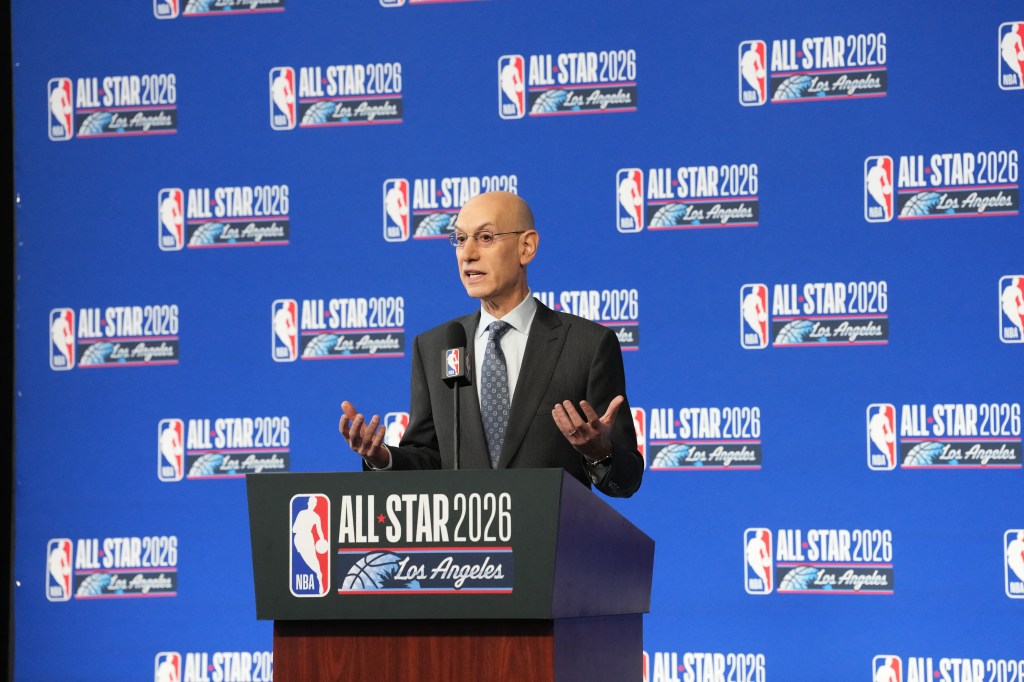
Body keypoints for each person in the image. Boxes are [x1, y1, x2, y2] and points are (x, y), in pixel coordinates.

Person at [340, 191, 643, 497]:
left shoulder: (586, 345)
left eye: (485, 237)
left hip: (548, 526)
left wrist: (600, 453)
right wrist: (383, 459)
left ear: (526, 247)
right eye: (460, 239)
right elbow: (428, 459)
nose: (468, 253)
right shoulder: (434, 347)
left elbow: (627, 480)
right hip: (463, 529)